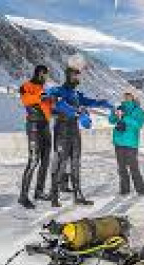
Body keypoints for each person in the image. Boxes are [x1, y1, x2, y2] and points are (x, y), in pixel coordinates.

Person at [44, 55, 114, 207]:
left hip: (74, 130)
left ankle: (78, 195)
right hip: (62, 130)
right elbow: (55, 103)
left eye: (79, 74)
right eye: (75, 74)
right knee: (60, 162)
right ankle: (54, 196)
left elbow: (90, 101)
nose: (78, 77)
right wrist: (77, 112)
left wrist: (106, 104)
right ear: (68, 75)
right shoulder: (58, 90)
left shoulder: (76, 94)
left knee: (76, 162)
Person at [18, 65, 56, 209]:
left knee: (45, 161)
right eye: (45, 75)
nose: (46, 77)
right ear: (40, 73)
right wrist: (41, 97)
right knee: (33, 161)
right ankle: (23, 196)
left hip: (45, 126)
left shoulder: (45, 90)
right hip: (33, 126)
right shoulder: (26, 86)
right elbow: (26, 100)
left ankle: (39, 191)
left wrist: (53, 102)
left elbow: (50, 109)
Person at [109, 90, 144, 196]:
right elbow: (111, 121)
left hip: (131, 143)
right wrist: (113, 114)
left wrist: (125, 117)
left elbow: (138, 124)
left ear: (133, 96)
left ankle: (140, 189)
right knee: (121, 167)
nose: (126, 96)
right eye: (125, 95)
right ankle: (124, 190)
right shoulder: (120, 107)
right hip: (118, 141)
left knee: (133, 167)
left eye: (129, 95)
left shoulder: (138, 110)